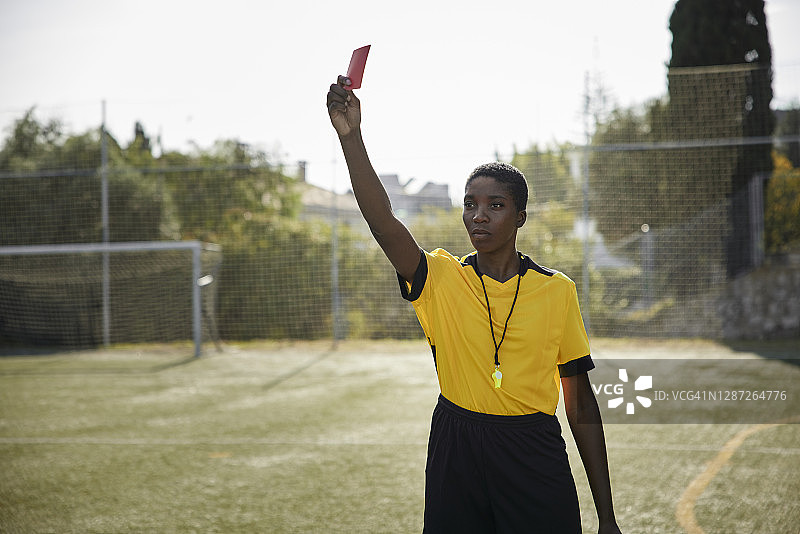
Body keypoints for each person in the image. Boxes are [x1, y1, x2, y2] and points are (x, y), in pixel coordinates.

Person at [327, 76, 622, 534]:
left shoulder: (557, 290)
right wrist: (351, 137)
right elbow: (383, 223)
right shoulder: (441, 277)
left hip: (532, 451)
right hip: (457, 447)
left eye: (495, 204)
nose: (479, 214)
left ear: (520, 216)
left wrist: (606, 517)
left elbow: (579, 406)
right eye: (470, 204)